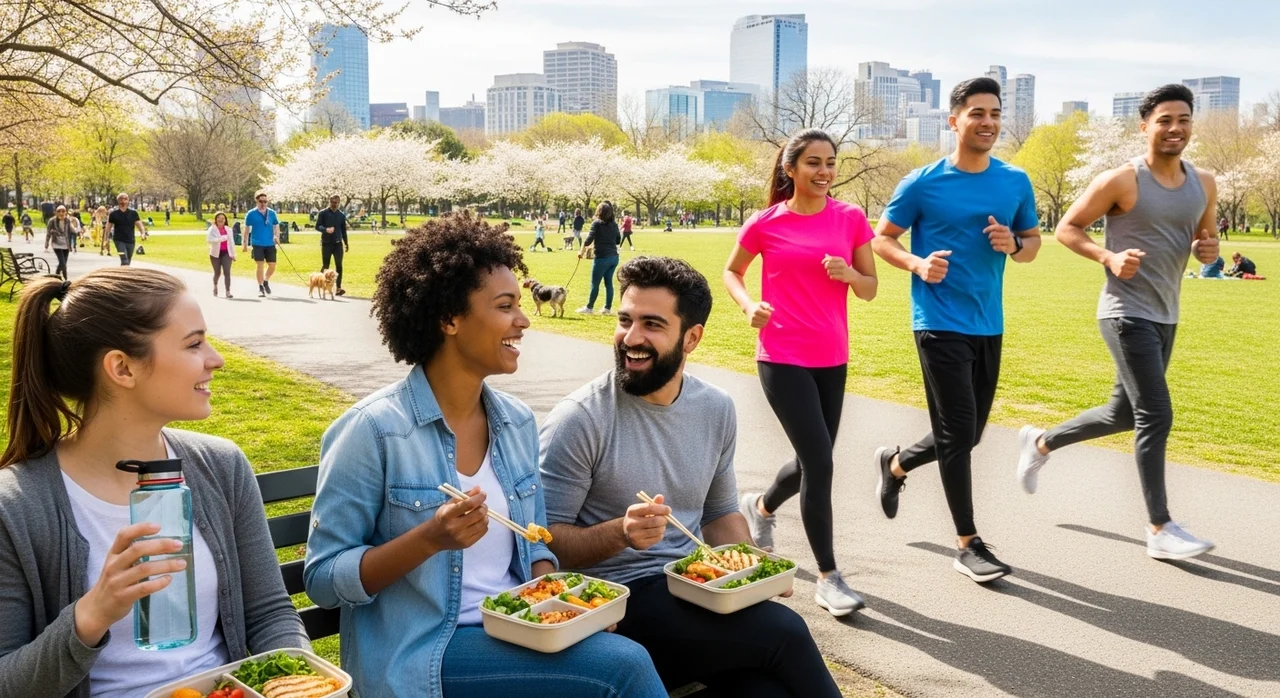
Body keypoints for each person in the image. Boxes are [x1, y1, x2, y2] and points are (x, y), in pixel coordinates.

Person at [304, 212, 665, 698]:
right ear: (450, 319)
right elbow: (324, 580)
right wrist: (429, 538)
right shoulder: (373, 430)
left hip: (517, 628)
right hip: (425, 651)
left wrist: (559, 604)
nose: (523, 319)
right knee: (624, 666)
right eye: (505, 306)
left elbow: (536, 545)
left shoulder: (515, 421)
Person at [540, 256, 841, 697]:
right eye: (625, 320)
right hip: (617, 607)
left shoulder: (715, 408)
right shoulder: (581, 418)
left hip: (694, 590)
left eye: (652, 324)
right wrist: (620, 533)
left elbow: (719, 514)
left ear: (692, 337)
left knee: (763, 691)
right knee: (784, 632)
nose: (631, 338)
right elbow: (543, 542)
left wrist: (754, 569)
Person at [0, 269, 308, 698]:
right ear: (122, 367)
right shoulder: (16, 506)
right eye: (194, 343)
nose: (215, 358)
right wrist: (91, 614)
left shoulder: (220, 466)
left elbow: (269, 614)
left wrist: (300, 686)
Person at [1016, 84, 1220, 561]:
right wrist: (1108, 255)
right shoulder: (1122, 179)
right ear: (1144, 126)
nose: (1175, 128)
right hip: (1125, 313)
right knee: (1156, 413)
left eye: (1184, 120)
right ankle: (1159, 527)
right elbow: (1068, 227)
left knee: (1122, 414)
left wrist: (1204, 249)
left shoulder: (1204, 182)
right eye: (1165, 120)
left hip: (1167, 312)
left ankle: (1041, 442)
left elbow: (1203, 238)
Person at [870, 77, 1042, 583]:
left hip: (988, 322)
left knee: (966, 433)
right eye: (977, 113)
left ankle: (896, 464)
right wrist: (918, 265)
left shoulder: (1015, 181)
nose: (988, 122)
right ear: (954, 120)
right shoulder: (922, 182)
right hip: (938, 320)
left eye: (995, 113)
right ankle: (967, 542)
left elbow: (1032, 245)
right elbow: (882, 241)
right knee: (958, 432)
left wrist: (1012, 243)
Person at [723, 128, 878, 615]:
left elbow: (870, 288)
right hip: (781, 356)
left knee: (815, 457)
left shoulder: (851, 218)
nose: (825, 172)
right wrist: (749, 305)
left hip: (832, 357)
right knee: (821, 463)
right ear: (791, 168)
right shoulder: (765, 223)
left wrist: (850, 276)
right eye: (814, 162)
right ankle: (830, 578)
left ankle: (761, 507)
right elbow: (732, 271)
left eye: (831, 162)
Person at [577, 201, 622, 315]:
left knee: (595, 283)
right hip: (614, 257)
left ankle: (589, 308)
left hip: (602, 258)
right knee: (609, 283)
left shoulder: (596, 224)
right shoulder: (614, 224)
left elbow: (589, 239)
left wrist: (581, 252)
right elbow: (618, 240)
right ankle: (607, 308)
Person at [242, 191, 279, 298]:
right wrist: (245, 243)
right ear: (256, 201)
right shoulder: (251, 214)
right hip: (257, 243)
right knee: (260, 265)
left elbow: (276, 225)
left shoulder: (272, 213)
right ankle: (260, 287)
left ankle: (265, 280)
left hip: (270, 243)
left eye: (265, 201)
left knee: (272, 265)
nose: (263, 203)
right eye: (261, 201)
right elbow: (247, 229)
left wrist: (276, 236)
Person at [315, 194, 349, 296]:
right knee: (326, 265)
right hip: (326, 243)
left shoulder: (341, 215)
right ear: (330, 202)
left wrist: (346, 243)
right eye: (333, 203)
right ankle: (320, 283)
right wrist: (325, 229)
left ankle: (338, 288)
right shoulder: (323, 213)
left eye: (337, 203)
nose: (335, 205)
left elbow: (343, 231)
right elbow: (317, 226)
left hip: (338, 244)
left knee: (339, 266)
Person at [105, 193, 145, 266]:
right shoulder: (113, 214)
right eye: (121, 199)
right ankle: (124, 275)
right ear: (118, 201)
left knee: (128, 261)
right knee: (124, 259)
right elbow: (108, 227)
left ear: (128, 200)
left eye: (125, 199)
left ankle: (122, 275)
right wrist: (106, 239)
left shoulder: (133, 213)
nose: (123, 201)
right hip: (118, 240)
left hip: (130, 240)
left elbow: (139, 225)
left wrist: (143, 233)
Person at [207, 211, 236, 298]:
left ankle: (228, 291)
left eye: (223, 218)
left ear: (225, 220)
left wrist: (233, 254)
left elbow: (231, 242)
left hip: (226, 253)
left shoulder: (228, 229)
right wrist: (220, 239)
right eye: (219, 218)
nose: (221, 220)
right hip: (215, 254)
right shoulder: (212, 229)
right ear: (215, 219)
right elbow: (209, 240)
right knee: (217, 273)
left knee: (227, 272)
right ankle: (215, 285)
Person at [45, 205, 76, 280]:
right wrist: (46, 243)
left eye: (63, 211)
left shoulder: (67, 221)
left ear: (65, 212)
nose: (61, 213)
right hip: (56, 245)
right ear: (56, 212)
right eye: (59, 211)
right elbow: (48, 233)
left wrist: (76, 231)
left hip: (66, 245)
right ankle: (62, 278)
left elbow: (73, 230)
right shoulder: (52, 221)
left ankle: (59, 277)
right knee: (62, 263)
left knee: (64, 264)